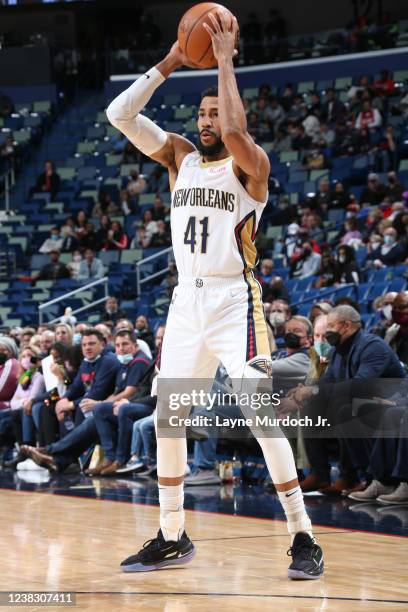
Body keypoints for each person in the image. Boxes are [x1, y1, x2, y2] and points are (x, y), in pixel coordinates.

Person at [107, 14, 323, 579]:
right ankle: (172, 535)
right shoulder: (178, 158)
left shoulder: (251, 166)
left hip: (235, 302)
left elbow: (235, 132)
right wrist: (175, 59)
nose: (207, 121)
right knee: (168, 418)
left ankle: (303, 535)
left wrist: (224, 59)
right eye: (200, 113)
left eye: (213, 113)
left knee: (257, 408)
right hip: (186, 304)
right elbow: (119, 114)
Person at [89, 329, 152, 475]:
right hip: (136, 401)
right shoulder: (125, 362)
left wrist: (124, 402)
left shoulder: (139, 361)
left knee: (120, 409)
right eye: (117, 345)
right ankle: (109, 458)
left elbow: (131, 391)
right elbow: (118, 391)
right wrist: (103, 403)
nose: (121, 348)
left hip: (148, 405)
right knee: (100, 410)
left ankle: (120, 459)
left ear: (135, 346)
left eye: (125, 344)